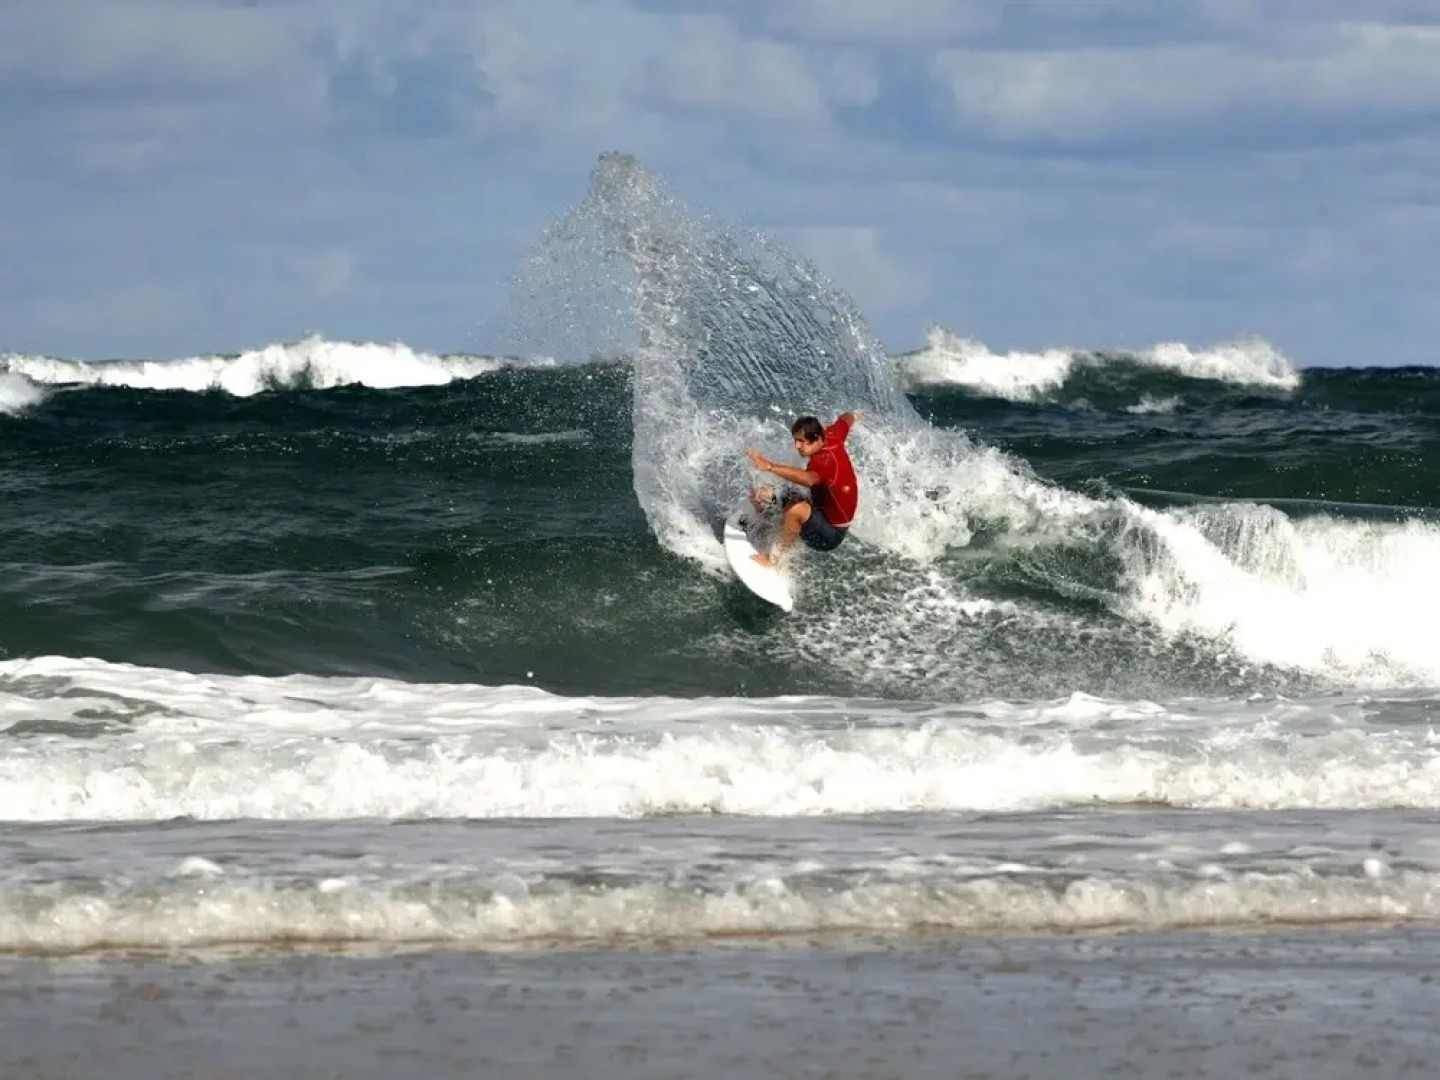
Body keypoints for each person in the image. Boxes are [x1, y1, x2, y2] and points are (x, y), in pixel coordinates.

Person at [744, 411, 860, 566]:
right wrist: (855, 414)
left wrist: (770, 466)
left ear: (817, 439)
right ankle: (762, 523)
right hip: (821, 507)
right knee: (765, 494)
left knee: (797, 509)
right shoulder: (831, 434)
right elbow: (845, 420)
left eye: (801, 441)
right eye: (795, 440)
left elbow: (808, 479)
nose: (797, 446)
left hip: (829, 535)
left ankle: (773, 560)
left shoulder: (825, 462)